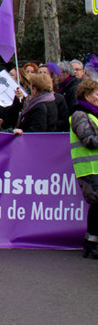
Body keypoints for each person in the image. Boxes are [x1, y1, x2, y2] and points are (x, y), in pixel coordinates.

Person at [68, 78, 98, 258]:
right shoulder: (79, 114)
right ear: (86, 95)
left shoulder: (93, 113)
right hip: (89, 168)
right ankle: (92, 245)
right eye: (96, 93)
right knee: (97, 205)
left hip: (95, 167)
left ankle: (91, 243)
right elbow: (88, 140)